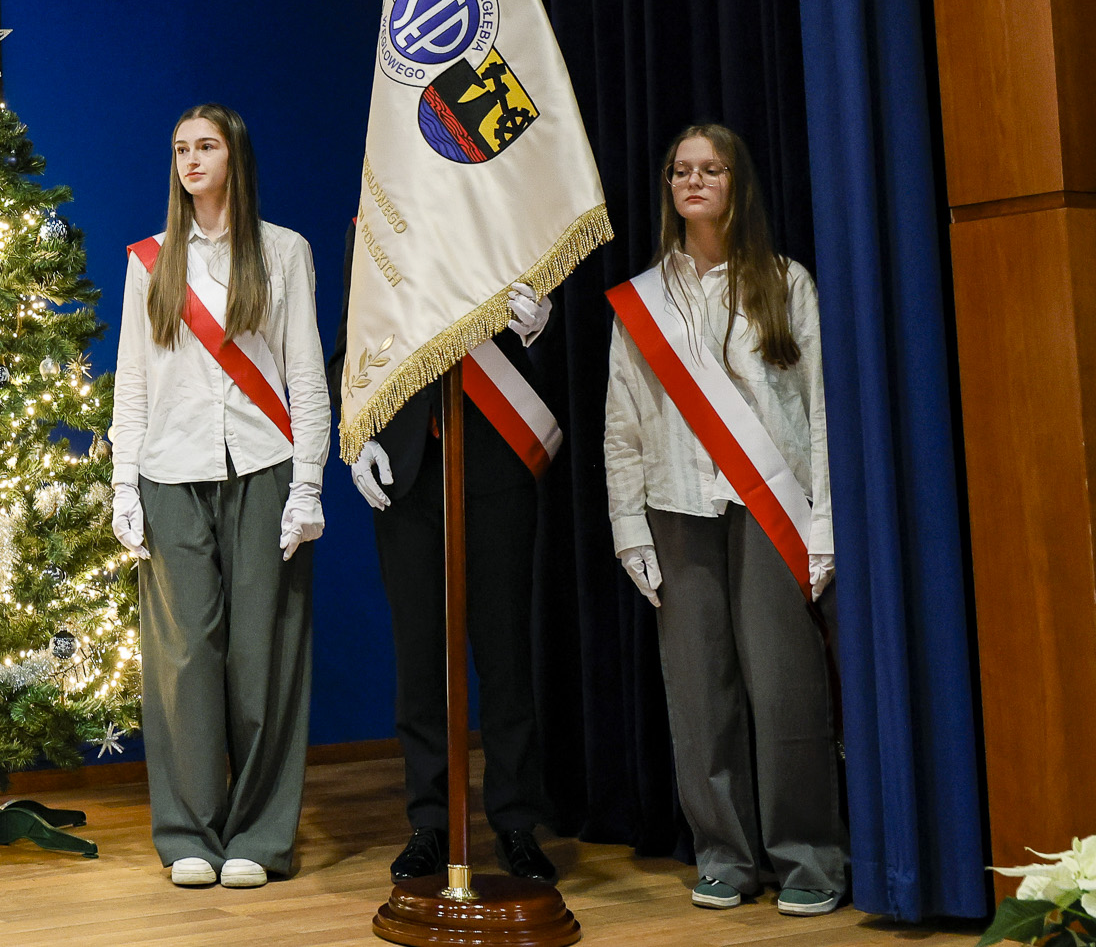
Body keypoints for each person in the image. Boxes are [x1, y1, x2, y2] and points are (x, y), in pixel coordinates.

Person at [603, 123, 845, 916]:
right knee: (699, 696)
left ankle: (808, 856)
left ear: (738, 184)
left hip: (771, 510)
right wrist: (628, 528)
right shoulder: (643, 299)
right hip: (677, 508)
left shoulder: (785, 282)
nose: (694, 181)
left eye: (711, 169)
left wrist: (825, 524)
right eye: (682, 170)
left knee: (785, 691)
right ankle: (725, 856)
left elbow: (819, 414)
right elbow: (623, 425)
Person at [109, 104, 332, 890]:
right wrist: (122, 488)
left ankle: (261, 835)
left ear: (234, 154)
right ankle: (189, 834)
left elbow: (306, 375)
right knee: (182, 660)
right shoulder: (151, 261)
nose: (190, 160)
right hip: (170, 472)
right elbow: (131, 383)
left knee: (260, 655)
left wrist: (309, 483)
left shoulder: (284, 252)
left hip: (266, 468)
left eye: (205, 146)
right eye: (180, 148)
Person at [328, 245, 561, 885]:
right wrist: (358, 435)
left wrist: (538, 321)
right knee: (420, 656)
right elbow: (352, 346)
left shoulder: (500, 214)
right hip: (407, 466)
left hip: (497, 457)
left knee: (506, 652)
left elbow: (548, 346)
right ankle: (430, 822)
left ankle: (515, 822)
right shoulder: (383, 223)